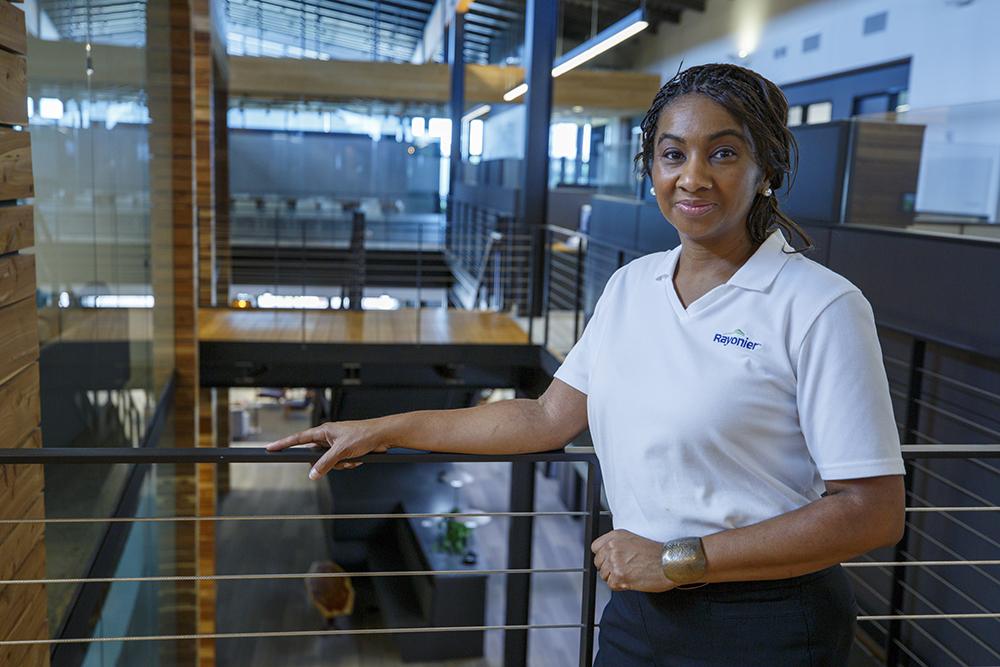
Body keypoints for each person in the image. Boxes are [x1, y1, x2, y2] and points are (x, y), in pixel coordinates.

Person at [266, 63, 906, 666]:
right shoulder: (633, 284)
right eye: (672, 153)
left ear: (766, 168)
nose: (692, 177)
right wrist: (382, 429)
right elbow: (545, 418)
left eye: (724, 152)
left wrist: (680, 559)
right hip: (639, 607)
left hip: (765, 621)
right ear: (651, 167)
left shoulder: (820, 305)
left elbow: (871, 512)